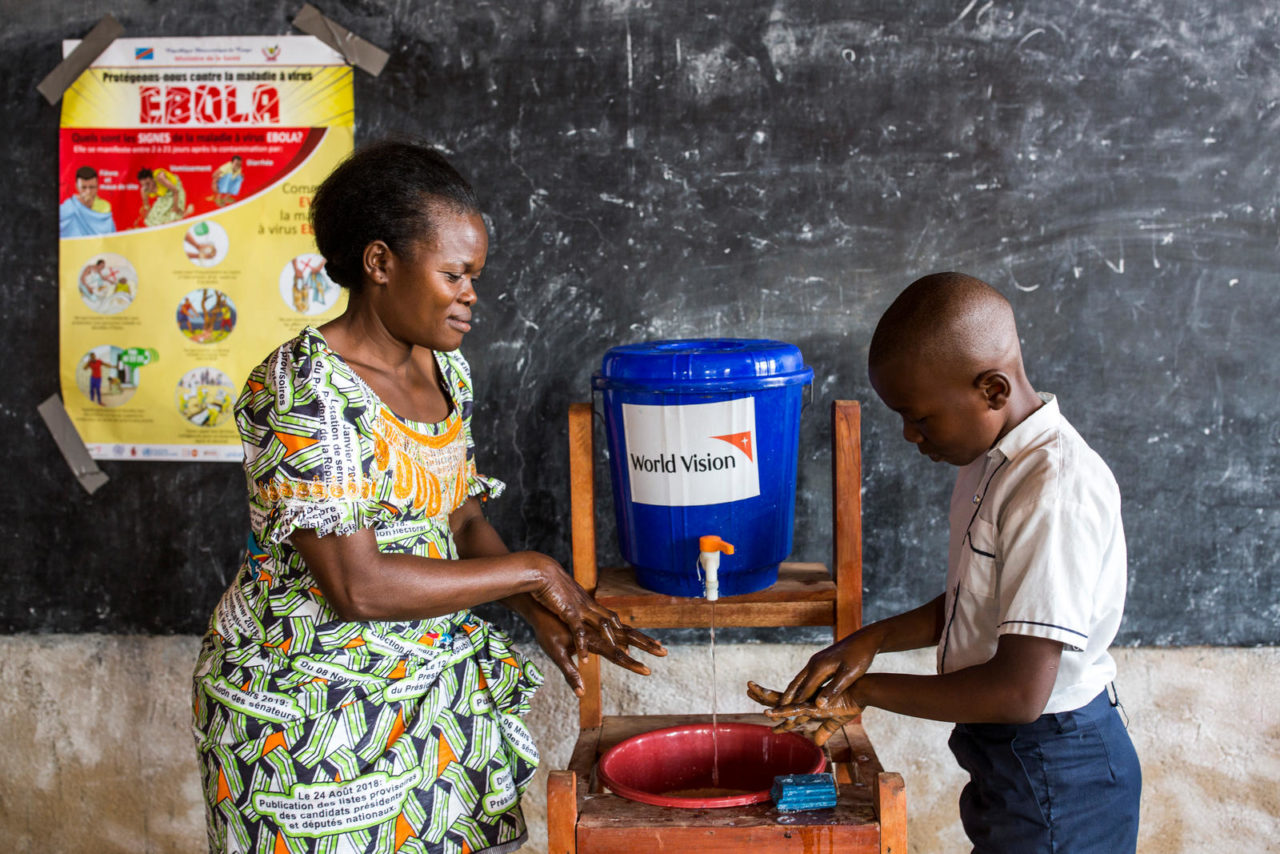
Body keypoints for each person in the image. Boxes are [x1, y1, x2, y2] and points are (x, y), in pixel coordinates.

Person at [191, 140, 665, 854]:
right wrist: (538, 572)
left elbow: (464, 517)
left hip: (433, 696)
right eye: (455, 274)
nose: (472, 294)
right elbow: (359, 585)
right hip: (311, 722)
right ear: (380, 263)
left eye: (474, 275)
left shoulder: (445, 370)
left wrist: (536, 610)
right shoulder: (304, 391)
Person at [751, 272, 1141, 853]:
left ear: (992, 391)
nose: (910, 434)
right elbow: (978, 601)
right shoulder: (990, 463)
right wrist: (867, 643)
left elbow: (1018, 692)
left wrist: (867, 692)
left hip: (1060, 766)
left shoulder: (1052, 489)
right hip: (1013, 760)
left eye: (921, 417)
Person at [59, 166, 116, 237]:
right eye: (83, 187)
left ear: (97, 187)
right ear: (76, 186)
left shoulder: (105, 206)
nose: (88, 191)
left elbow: (110, 234)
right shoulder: (70, 205)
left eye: (92, 187)